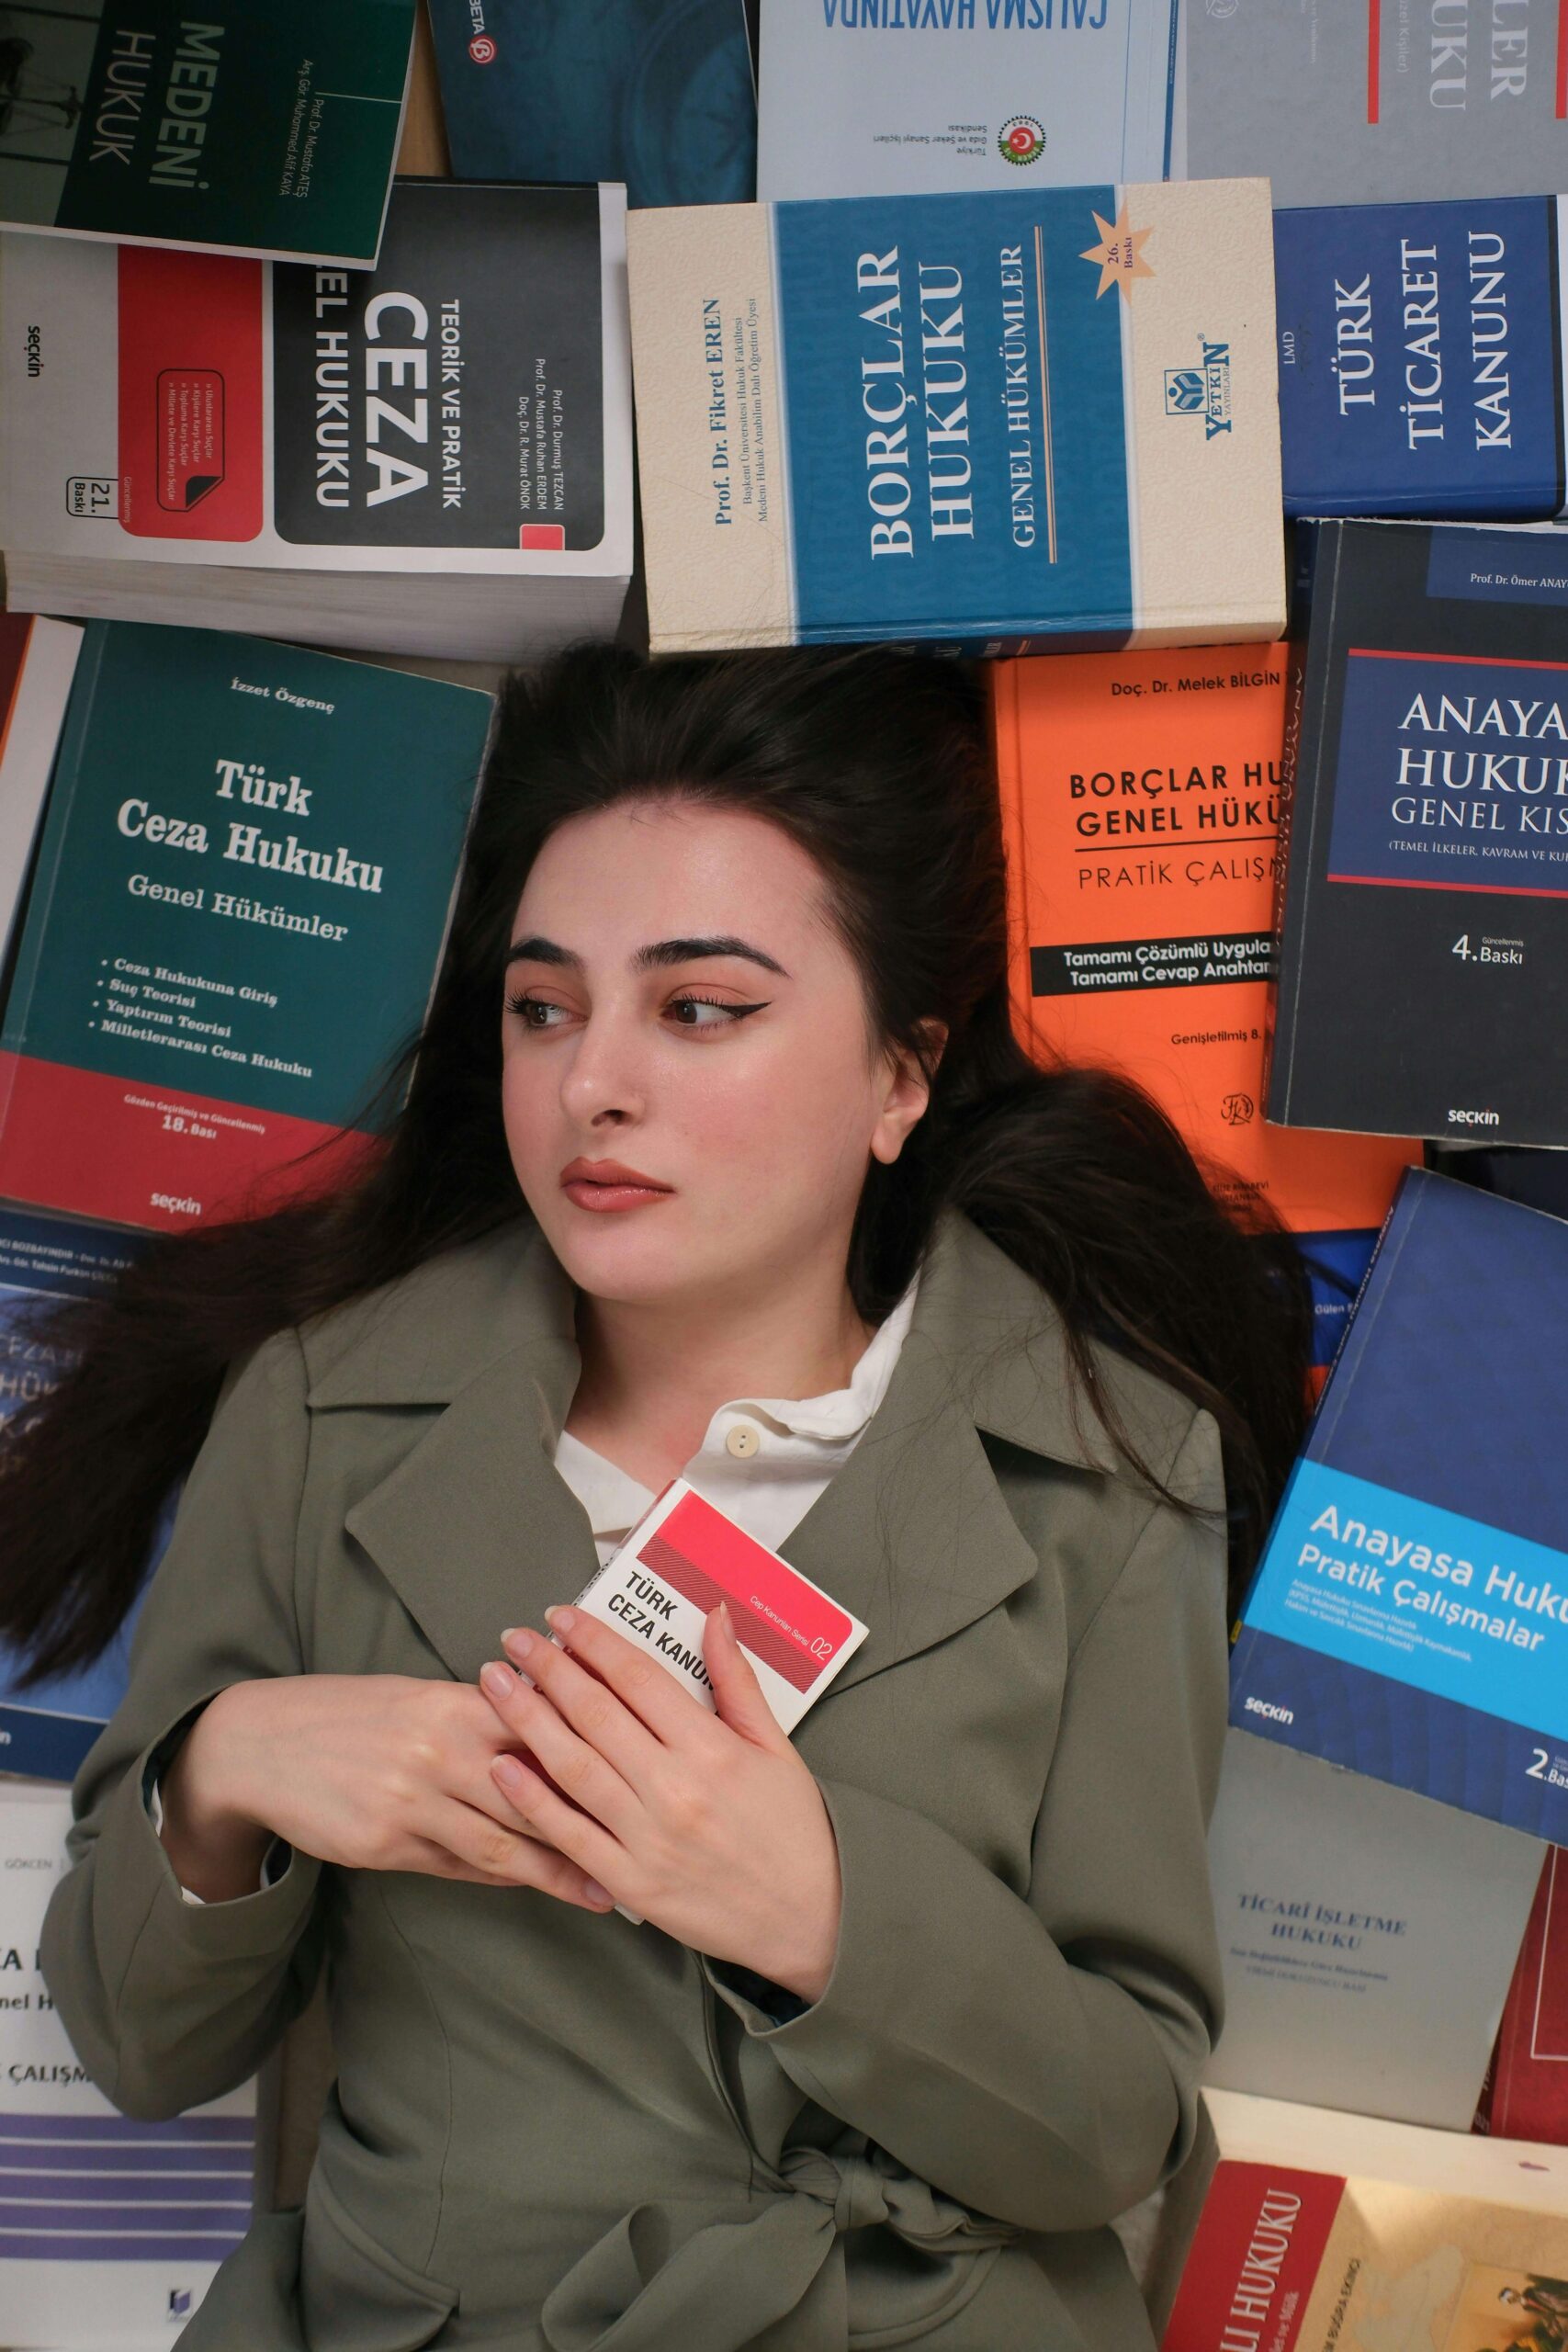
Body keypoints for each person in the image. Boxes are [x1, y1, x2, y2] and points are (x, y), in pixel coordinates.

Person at [3, 644, 1310, 2351]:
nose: (591, 1082)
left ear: (900, 1076)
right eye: (545, 1007)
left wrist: (818, 1918)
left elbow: (1112, 2137)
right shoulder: (323, 1411)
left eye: (702, 1008)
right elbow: (137, 2046)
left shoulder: (1110, 1466)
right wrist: (228, 1769)